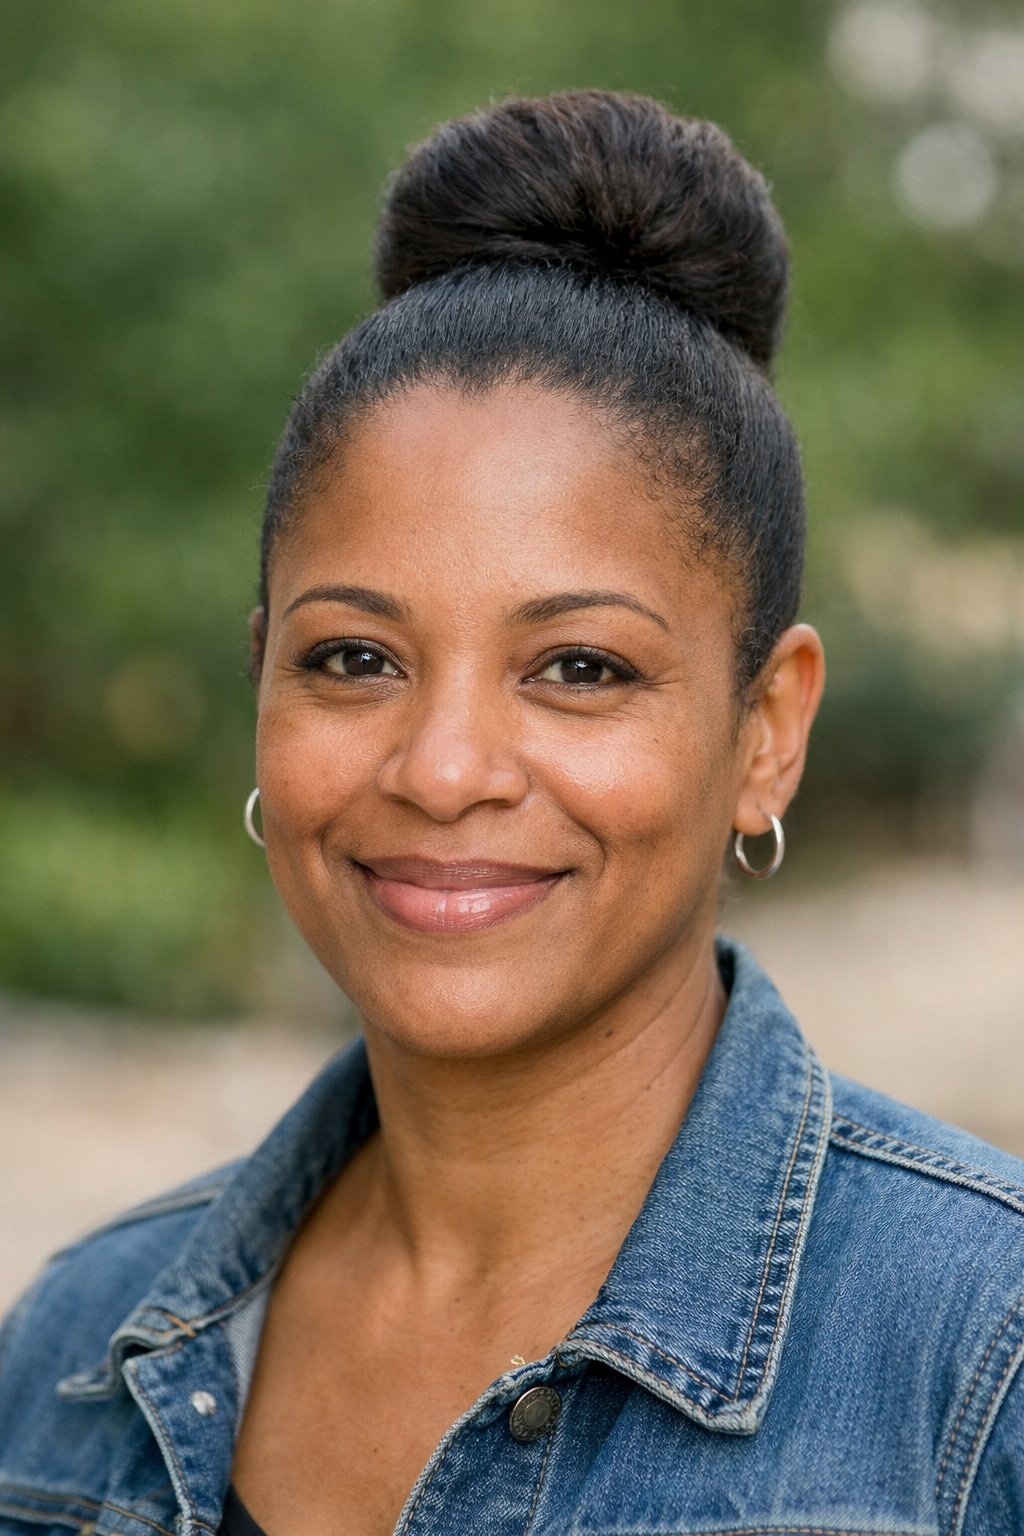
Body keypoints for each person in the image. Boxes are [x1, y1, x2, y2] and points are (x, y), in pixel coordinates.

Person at [1, 89, 1022, 1536]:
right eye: (353, 659)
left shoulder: (983, 1365)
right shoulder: (71, 1360)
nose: (441, 766)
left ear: (766, 733)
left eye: (580, 668)